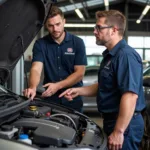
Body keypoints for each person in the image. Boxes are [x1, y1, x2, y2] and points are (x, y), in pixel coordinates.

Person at [59, 10, 146, 150]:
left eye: (99, 27)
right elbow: (104, 86)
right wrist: (78, 91)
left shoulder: (125, 55)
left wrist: (119, 132)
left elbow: (130, 96)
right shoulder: (110, 56)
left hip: (125, 124)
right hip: (113, 121)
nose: (95, 31)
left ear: (114, 30)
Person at [23, 6, 87, 112]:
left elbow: (79, 73)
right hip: (50, 99)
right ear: (46, 25)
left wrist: (58, 86)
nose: (55, 29)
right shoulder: (40, 44)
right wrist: (33, 87)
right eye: (51, 26)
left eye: (58, 24)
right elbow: (36, 69)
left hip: (72, 98)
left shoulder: (77, 43)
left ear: (64, 21)